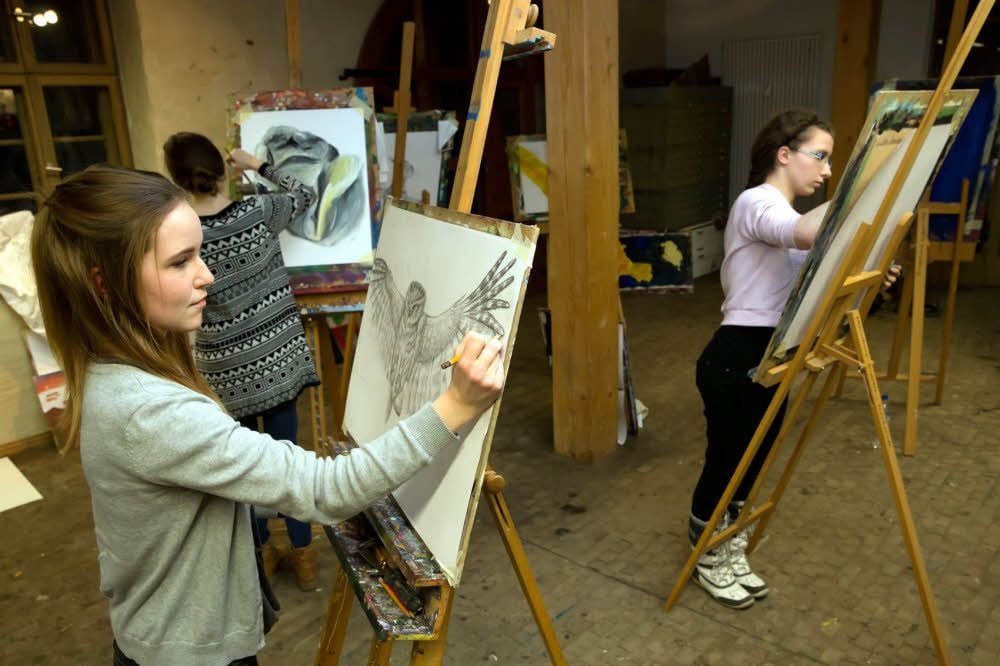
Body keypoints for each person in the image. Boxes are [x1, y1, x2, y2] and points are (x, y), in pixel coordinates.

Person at [30, 163, 505, 665]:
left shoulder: (113, 372)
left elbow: (177, 508)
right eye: (180, 262)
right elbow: (328, 490)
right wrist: (455, 405)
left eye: (199, 254)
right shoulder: (150, 411)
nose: (206, 275)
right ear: (104, 284)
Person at [687, 109, 899, 610]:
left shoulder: (792, 218)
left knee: (755, 461)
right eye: (820, 157)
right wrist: (863, 188)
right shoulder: (756, 203)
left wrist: (871, 274)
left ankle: (730, 546)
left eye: (831, 161)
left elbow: (817, 275)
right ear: (784, 154)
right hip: (736, 355)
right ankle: (707, 557)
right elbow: (802, 232)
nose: (827, 170)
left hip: (774, 355)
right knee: (727, 462)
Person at [163, 132, 320, 590]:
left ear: (178, 179)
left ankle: (261, 553)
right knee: (288, 458)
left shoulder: (184, 237)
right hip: (278, 361)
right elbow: (306, 192)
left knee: (244, 469)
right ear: (221, 169)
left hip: (225, 373)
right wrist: (256, 164)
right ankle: (304, 553)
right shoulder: (259, 211)